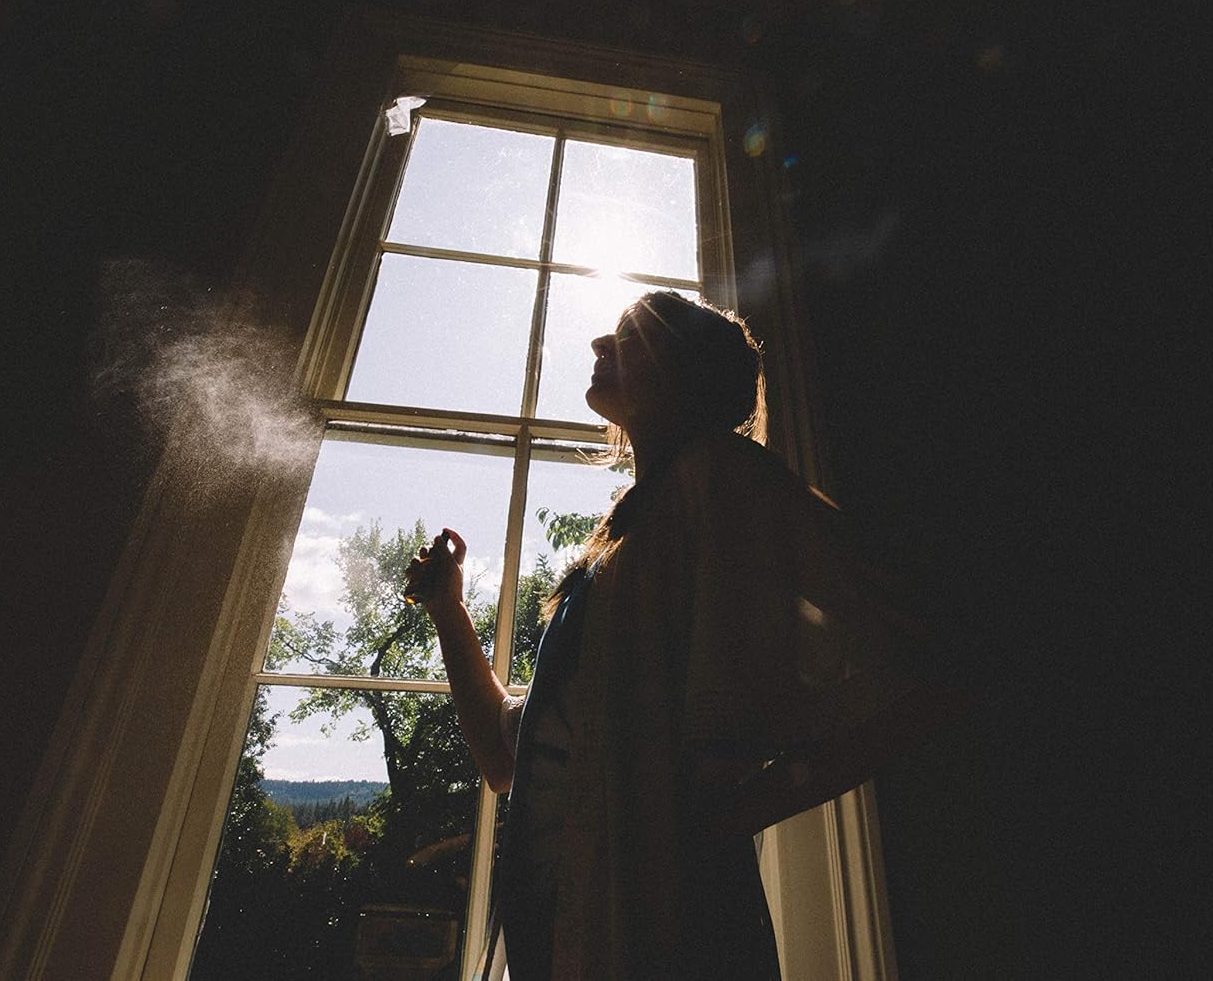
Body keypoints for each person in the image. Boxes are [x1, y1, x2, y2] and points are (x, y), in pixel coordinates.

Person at [404, 291, 952, 980]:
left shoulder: (719, 475)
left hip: (667, 934)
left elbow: (922, 672)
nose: (599, 345)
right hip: (562, 940)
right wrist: (447, 608)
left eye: (632, 337)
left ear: (688, 373)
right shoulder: (616, 552)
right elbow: (504, 754)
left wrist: (737, 812)